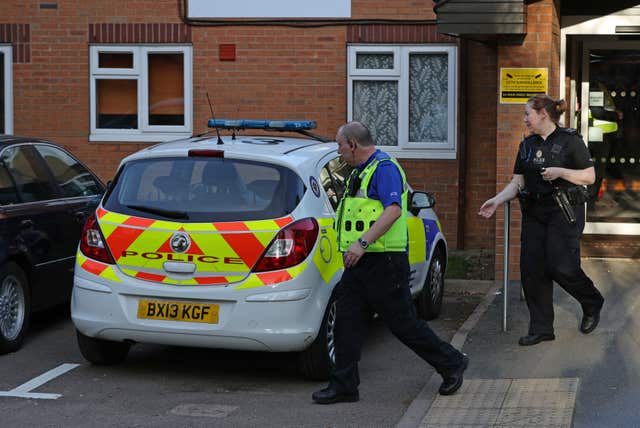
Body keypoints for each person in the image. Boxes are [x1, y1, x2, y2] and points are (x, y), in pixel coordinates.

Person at [312, 121, 468, 405]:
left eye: (339, 146)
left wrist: (361, 244)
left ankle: (452, 363)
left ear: (353, 145)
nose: (338, 151)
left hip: (384, 263)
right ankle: (344, 384)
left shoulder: (384, 169)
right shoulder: (360, 171)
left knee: (404, 325)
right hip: (359, 264)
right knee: (345, 323)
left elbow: (394, 211)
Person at [478, 95, 605, 346]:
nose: (525, 119)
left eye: (528, 114)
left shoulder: (571, 141)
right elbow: (518, 182)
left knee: (561, 266)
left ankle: (592, 301)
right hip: (534, 212)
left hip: (563, 211)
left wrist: (561, 172)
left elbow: (589, 177)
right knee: (532, 270)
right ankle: (541, 328)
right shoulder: (526, 146)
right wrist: (497, 199)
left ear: (543, 115)